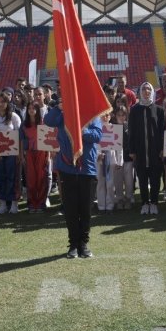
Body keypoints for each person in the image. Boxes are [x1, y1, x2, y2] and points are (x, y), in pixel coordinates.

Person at [44, 100, 103, 259]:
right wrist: (58, 108)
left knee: (85, 209)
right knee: (70, 209)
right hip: (66, 168)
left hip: (87, 168)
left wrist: (81, 132)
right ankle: (73, 245)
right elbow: (47, 121)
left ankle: (83, 244)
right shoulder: (63, 115)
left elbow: (97, 135)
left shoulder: (92, 116)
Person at [129, 82, 166, 215]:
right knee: (142, 178)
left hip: (155, 150)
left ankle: (154, 202)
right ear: (140, 92)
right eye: (143, 89)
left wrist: (163, 148)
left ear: (152, 92)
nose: (146, 91)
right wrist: (132, 150)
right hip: (140, 150)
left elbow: (163, 131)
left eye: (148, 89)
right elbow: (131, 131)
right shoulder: (134, 110)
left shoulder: (159, 110)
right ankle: (145, 202)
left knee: (155, 177)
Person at [0, 93, 22, 214]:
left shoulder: (14, 117)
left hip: (12, 154)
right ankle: (2, 203)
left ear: (7, 103)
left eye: (3, 101)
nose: (0, 104)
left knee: (12, 177)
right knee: (0, 178)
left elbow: (19, 136)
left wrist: (19, 153)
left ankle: (14, 203)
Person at [21, 100, 49, 212]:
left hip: (42, 152)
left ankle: (41, 203)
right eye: (29, 108)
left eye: (34, 108)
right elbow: (22, 141)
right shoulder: (24, 124)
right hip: (29, 153)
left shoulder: (43, 123)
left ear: (38, 110)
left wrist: (48, 156)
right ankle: (32, 204)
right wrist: (22, 155)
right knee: (31, 179)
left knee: (41, 179)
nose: (31, 110)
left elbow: (48, 140)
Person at [110, 105, 135, 210]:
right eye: (119, 115)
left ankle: (129, 197)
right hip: (116, 159)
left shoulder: (129, 127)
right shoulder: (111, 127)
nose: (121, 117)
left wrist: (132, 153)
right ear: (115, 116)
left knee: (129, 179)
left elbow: (133, 142)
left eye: (123, 115)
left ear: (126, 115)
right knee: (118, 180)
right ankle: (119, 198)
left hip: (128, 158)